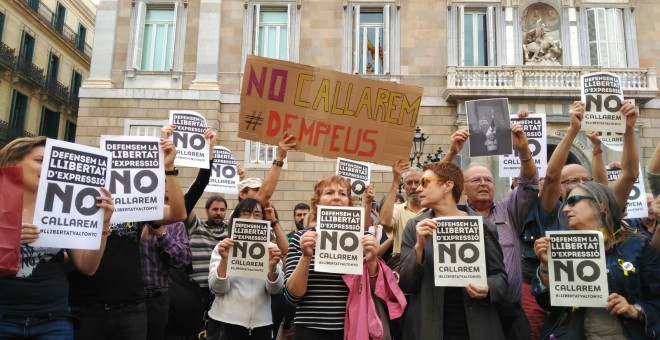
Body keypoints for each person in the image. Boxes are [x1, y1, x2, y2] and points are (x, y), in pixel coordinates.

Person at [68, 137, 186, 340]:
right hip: (86, 306)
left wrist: (169, 169)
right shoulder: (79, 202)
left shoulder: (135, 203)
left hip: (131, 307)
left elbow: (178, 213)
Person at [0, 136, 115, 339]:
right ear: (13, 162)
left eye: (51, 163)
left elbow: (88, 266)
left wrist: (102, 225)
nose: (48, 168)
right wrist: (8, 240)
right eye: (40, 161)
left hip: (53, 320)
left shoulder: (64, 207)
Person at [444, 115, 538, 339]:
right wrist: (452, 152)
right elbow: (435, 185)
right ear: (462, 188)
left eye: (488, 180)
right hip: (468, 313)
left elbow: (529, 183)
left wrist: (524, 151)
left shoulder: (510, 211)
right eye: (476, 180)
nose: (484, 183)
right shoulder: (453, 214)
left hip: (509, 312)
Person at [532, 182, 660, 338]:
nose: (565, 208)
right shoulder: (561, 246)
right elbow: (548, 304)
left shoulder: (638, 246)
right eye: (565, 203)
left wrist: (634, 310)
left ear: (600, 205)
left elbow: (656, 299)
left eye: (573, 201)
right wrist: (546, 266)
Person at [398, 162, 508, 339]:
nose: (418, 189)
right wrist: (418, 247)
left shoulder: (483, 226)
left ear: (447, 185)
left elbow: (500, 277)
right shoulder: (415, 227)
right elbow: (406, 284)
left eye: (425, 182)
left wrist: (488, 288)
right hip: (429, 327)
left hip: (476, 325)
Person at [284, 175, 381, 339]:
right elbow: (293, 296)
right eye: (329, 192)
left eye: (343, 194)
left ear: (349, 202)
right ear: (317, 202)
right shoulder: (301, 239)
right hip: (310, 329)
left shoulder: (363, 240)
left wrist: (372, 260)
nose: (337, 197)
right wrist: (306, 257)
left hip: (353, 328)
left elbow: (377, 291)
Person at [206, 198, 284, 340]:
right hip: (225, 323)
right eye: (246, 213)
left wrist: (272, 267)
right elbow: (217, 289)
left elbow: (276, 290)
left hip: (262, 326)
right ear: (236, 218)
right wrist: (224, 260)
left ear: (263, 220)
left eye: (257, 214)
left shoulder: (272, 250)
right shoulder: (223, 247)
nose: (252, 218)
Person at [140, 220, 191, 340]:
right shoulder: (126, 220)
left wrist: (162, 235)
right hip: (126, 299)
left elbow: (184, 260)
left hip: (157, 298)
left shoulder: (174, 223)